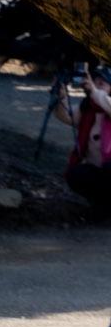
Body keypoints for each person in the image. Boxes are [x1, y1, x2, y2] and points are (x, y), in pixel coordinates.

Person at [52, 65, 111, 215]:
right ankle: (102, 206)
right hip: (98, 170)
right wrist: (61, 96)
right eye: (94, 81)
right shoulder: (88, 108)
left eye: (101, 83)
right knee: (76, 174)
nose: (95, 85)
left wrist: (94, 91)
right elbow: (66, 117)